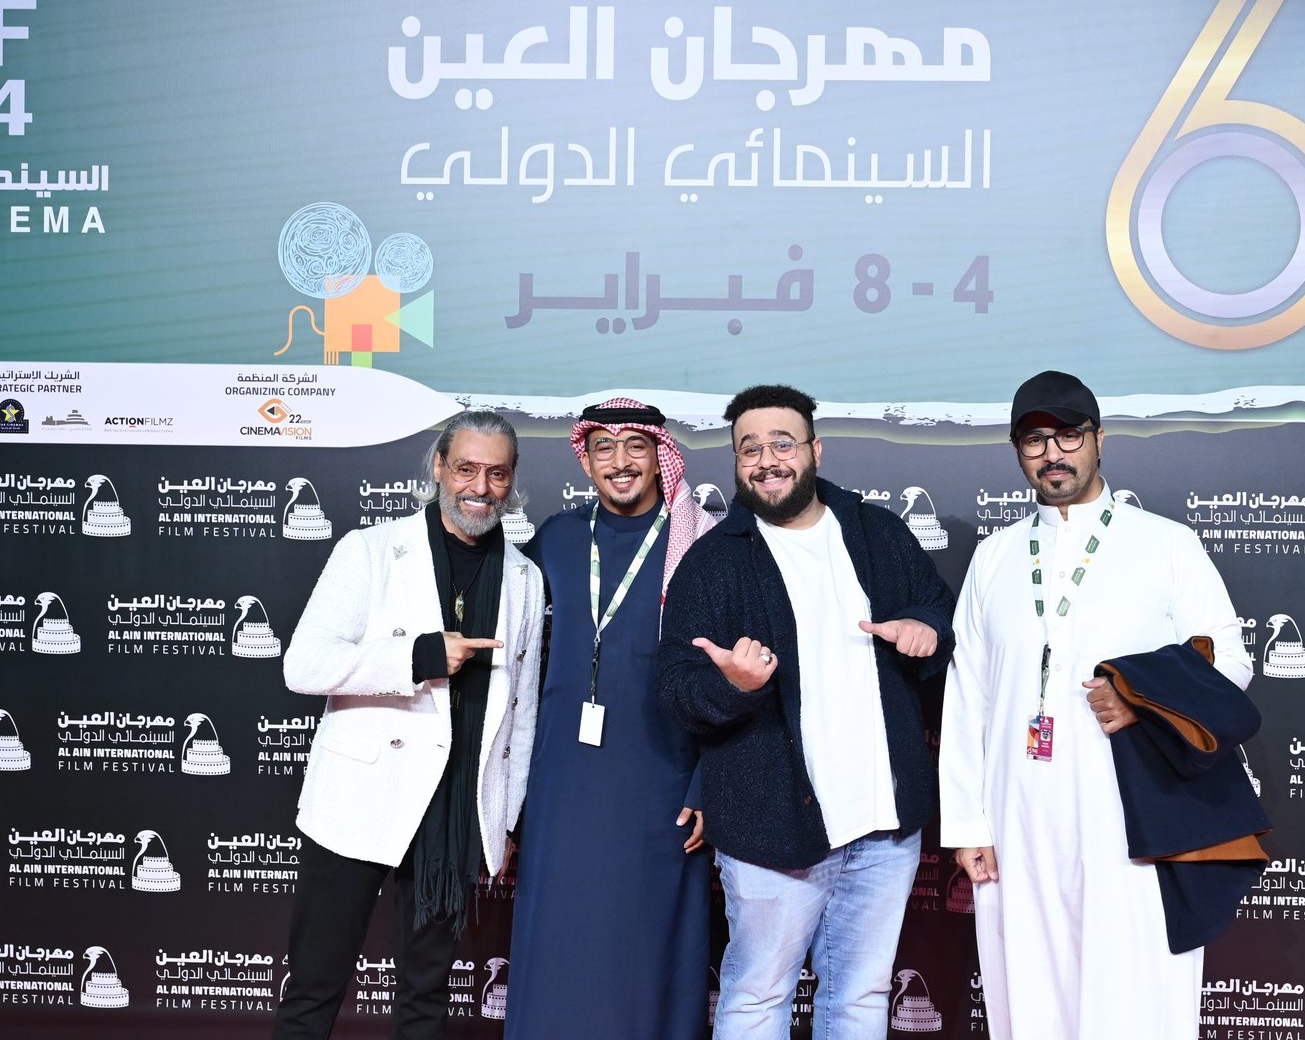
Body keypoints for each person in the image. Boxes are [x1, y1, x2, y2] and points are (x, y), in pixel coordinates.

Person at [939, 370, 1252, 1040]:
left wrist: (1145, 698)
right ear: (1018, 452)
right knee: (1028, 990)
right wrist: (967, 823)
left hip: (1130, 814)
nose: (1052, 454)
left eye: (1068, 436)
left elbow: (1229, 659)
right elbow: (967, 695)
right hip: (1016, 816)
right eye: (1034, 441)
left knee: (1131, 991)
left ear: (1099, 439)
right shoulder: (994, 557)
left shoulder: (1166, 544)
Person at [657, 383, 956, 1040]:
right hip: (770, 830)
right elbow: (675, 687)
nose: (768, 460)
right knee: (757, 995)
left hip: (884, 827)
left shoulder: (879, 533)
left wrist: (926, 631)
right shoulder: (712, 562)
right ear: (736, 462)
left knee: (861, 995)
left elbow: (936, 610)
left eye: (782, 443)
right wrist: (734, 686)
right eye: (750, 449)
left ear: (815, 450)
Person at [272, 410, 543, 1040]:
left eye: (497, 474)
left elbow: (523, 712)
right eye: (466, 469)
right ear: (440, 468)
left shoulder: (526, 578)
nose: (480, 487)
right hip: (362, 797)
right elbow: (303, 665)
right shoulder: (369, 550)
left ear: (512, 480)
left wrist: (505, 818)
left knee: (426, 1001)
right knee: (313, 987)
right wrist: (418, 657)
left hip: (457, 811)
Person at [502, 397, 716, 1039]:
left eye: (636, 447)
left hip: (662, 783)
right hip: (562, 784)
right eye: (604, 448)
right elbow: (513, 661)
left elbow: (731, 679)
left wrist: (707, 785)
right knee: (561, 940)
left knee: (643, 949)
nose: (620, 462)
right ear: (586, 460)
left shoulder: (702, 542)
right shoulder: (557, 538)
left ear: (660, 455)